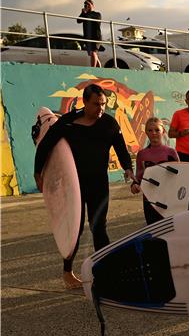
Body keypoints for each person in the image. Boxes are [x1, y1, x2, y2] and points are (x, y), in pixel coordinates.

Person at [33, 84, 133, 289]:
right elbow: (46, 145)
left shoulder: (109, 123)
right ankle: (68, 272)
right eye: (96, 104)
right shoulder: (68, 122)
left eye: (103, 104)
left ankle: (104, 272)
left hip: (98, 184)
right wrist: (38, 173)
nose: (101, 108)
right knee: (74, 230)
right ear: (84, 102)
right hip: (73, 185)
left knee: (99, 227)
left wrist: (128, 169)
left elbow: (122, 150)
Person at [130, 118, 178, 224]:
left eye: (157, 130)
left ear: (163, 131)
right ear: (146, 132)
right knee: (154, 231)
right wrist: (134, 185)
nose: (153, 133)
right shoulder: (142, 154)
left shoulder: (171, 153)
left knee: (169, 229)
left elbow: (179, 176)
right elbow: (139, 176)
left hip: (168, 197)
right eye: (150, 130)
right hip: (149, 199)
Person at [77, 0, 102, 67]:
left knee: (93, 53)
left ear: (92, 5)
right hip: (87, 37)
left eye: (88, 4)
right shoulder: (85, 14)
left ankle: (93, 70)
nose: (87, 6)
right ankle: (99, 69)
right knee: (93, 54)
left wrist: (85, 13)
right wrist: (82, 13)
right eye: (85, 5)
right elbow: (78, 20)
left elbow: (90, 17)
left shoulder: (97, 14)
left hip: (96, 37)